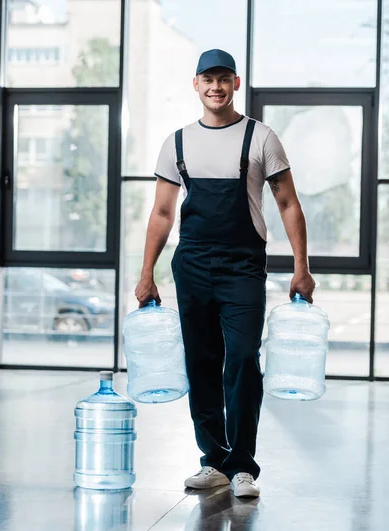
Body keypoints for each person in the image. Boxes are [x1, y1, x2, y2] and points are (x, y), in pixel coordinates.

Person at [135, 49, 315, 498]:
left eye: (223, 79)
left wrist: (302, 268)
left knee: (241, 360)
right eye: (206, 79)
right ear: (195, 85)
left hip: (243, 267)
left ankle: (243, 468)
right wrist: (146, 275)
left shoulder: (261, 138)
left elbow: (288, 204)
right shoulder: (176, 142)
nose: (215, 87)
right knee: (201, 364)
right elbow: (161, 213)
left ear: (236, 83)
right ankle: (213, 461)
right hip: (192, 263)